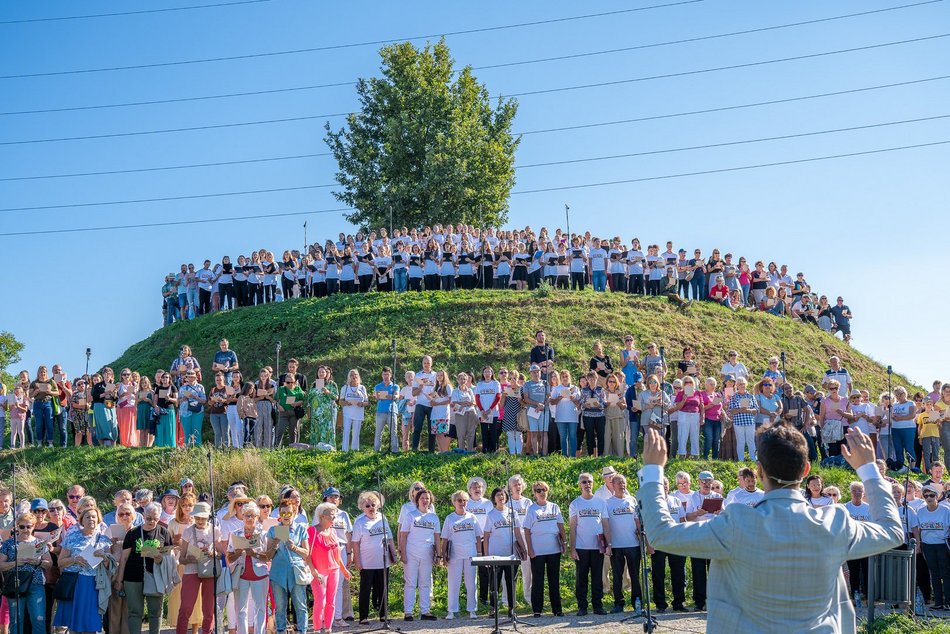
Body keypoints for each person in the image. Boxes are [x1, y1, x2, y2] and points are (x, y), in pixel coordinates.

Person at [637, 425, 903, 631]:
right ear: (806, 470)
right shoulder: (835, 522)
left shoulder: (737, 523)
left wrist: (653, 471)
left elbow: (661, 534)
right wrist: (868, 469)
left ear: (760, 471)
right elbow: (892, 531)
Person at [54, 507, 113, 634]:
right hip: (75, 583)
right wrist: (74, 559)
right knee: (74, 625)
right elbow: (60, 562)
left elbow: (110, 566)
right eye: (87, 517)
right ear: (81, 521)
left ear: (98, 520)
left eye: (93, 517)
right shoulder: (72, 537)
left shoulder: (104, 540)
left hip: (93, 584)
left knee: (90, 624)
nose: (91, 519)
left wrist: (104, 557)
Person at [0, 511, 51, 634]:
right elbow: (1, 565)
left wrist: (38, 562)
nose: (25, 529)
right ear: (17, 526)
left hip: (36, 583)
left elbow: (49, 564)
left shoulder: (39, 543)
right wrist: (15, 563)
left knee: (38, 619)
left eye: (29, 526)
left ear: (33, 526)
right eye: (22, 526)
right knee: (16, 621)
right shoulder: (8, 543)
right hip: (16, 584)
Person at [266, 499, 310, 634]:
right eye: (283, 513)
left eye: (289, 513)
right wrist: (275, 543)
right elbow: (268, 556)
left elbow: (307, 553)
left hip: (296, 572)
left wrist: (295, 547)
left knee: (300, 606)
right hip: (278, 573)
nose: (286, 516)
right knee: (280, 607)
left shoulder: (301, 529)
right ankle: (280, 631)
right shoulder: (273, 530)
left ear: (294, 513)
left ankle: (302, 631)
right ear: (280, 513)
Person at [569, 473, 610, 616]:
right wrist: (572, 548)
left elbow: (605, 524)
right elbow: (572, 527)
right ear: (580, 485)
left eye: (590, 482)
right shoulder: (575, 503)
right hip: (581, 547)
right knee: (581, 579)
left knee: (597, 578)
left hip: (597, 547)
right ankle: (582, 607)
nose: (587, 484)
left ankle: (598, 606)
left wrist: (608, 544)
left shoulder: (601, 503)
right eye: (584, 482)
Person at [523, 480, 565, 618]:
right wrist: (530, 549)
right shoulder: (532, 509)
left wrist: (564, 543)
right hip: (538, 551)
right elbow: (527, 530)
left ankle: (557, 609)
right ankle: (537, 609)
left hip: (554, 549)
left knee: (554, 580)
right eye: (538, 491)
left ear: (547, 491)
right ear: (534, 494)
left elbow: (560, 526)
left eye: (544, 490)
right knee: (538, 580)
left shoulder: (554, 507)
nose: (542, 493)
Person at [352, 491, 395, 624]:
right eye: (367, 506)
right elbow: (355, 543)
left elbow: (390, 538)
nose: (371, 508)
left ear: (378, 505)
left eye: (373, 505)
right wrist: (357, 561)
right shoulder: (359, 522)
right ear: (362, 507)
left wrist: (394, 554)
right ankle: (363, 617)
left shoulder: (383, 518)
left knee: (383, 588)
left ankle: (383, 615)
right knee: (365, 589)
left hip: (383, 560)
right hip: (367, 562)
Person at [309, 501, 352, 634]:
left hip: (334, 570)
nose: (334, 518)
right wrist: (313, 570)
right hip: (318, 572)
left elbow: (337, 554)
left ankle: (328, 628)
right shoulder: (312, 531)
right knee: (320, 601)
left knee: (331, 601)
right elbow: (307, 554)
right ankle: (316, 629)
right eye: (331, 516)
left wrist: (344, 569)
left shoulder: (333, 531)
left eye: (335, 515)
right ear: (322, 516)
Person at [398, 487, 440, 621]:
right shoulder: (410, 516)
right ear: (417, 500)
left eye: (427, 498)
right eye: (422, 498)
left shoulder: (434, 517)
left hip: (427, 554)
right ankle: (408, 612)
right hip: (411, 553)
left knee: (425, 583)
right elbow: (403, 536)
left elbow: (437, 537)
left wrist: (439, 555)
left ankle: (425, 611)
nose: (425, 500)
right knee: (410, 583)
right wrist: (403, 553)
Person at [483, 487, 525, 617]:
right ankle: (493, 608)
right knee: (494, 582)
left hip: (511, 554)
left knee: (511, 581)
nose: (501, 497)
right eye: (498, 495)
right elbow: (486, 536)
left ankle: (511, 608)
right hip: (495, 554)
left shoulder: (513, 513)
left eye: (503, 495)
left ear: (506, 497)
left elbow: (518, 534)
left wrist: (523, 549)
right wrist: (486, 555)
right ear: (494, 498)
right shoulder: (491, 515)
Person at [175, 502, 216, 634]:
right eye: (197, 517)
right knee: (186, 606)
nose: (200, 521)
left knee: (208, 608)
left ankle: (207, 631)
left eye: (203, 518)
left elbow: (221, 553)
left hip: (208, 570)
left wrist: (212, 553)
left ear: (208, 517)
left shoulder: (215, 531)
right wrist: (189, 559)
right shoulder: (187, 531)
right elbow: (181, 558)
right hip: (191, 570)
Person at [441, 490, 481, 620]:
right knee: (454, 583)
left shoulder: (472, 517)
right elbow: (445, 539)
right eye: (459, 500)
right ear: (454, 502)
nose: (462, 503)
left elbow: (477, 536)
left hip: (470, 554)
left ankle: (472, 610)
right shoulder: (450, 518)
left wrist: (479, 554)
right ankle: (452, 610)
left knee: (471, 583)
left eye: (464, 500)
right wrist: (444, 556)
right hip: (454, 555)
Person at [918, 484, 950, 610]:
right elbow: (919, 529)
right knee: (934, 574)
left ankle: (948, 601)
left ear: (937, 496)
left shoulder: (945, 511)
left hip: (942, 545)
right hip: (928, 545)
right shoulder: (920, 511)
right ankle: (938, 601)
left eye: (931, 495)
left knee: (946, 573)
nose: (929, 498)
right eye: (926, 496)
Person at [306, 366, 339, 448]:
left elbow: (336, 397)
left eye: (323, 372)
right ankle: (315, 447)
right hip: (316, 412)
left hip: (327, 412)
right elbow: (309, 399)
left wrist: (328, 392)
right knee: (316, 429)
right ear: (317, 373)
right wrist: (308, 411)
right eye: (319, 372)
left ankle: (328, 448)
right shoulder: (314, 384)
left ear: (326, 373)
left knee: (327, 429)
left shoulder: (331, 384)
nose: (321, 373)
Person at [410, 356, 437, 452]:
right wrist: (420, 388)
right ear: (422, 364)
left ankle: (431, 451)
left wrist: (433, 397)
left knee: (432, 429)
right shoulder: (418, 375)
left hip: (431, 404)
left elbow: (438, 390)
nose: (426, 365)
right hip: (420, 404)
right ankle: (414, 450)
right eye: (425, 363)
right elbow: (413, 393)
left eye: (428, 363)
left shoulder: (435, 375)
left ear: (431, 363)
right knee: (417, 428)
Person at [728, 378, 758, 461]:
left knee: (751, 441)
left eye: (743, 384)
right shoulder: (733, 397)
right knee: (740, 442)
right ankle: (741, 460)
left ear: (746, 384)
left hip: (750, 422)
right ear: (737, 385)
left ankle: (754, 459)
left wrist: (748, 410)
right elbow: (731, 411)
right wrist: (741, 409)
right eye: (740, 384)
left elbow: (756, 410)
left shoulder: (751, 396)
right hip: (738, 422)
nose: (742, 386)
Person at [373, 367, 400, 452]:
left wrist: (389, 396)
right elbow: (377, 396)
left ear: (390, 375)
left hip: (392, 411)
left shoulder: (395, 386)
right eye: (384, 374)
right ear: (382, 375)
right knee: (378, 432)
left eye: (387, 375)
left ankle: (395, 450)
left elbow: (396, 396)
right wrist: (388, 396)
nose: (385, 376)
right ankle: (377, 450)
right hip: (380, 411)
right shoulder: (378, 386)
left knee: (393, 432)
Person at [275, 373, 305, 446]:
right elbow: (275, 400)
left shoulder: (298, 389)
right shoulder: (281, 389)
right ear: (285, 382)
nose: (290, 384)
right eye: (288, 382)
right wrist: (278, 406)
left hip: (294, 413)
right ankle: (276, 447)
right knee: (280, 430)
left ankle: (293, 447)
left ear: (295, 381)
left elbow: (302, 400)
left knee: (293, 431)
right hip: (283, 412)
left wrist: (296, 403)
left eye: (292, 382)